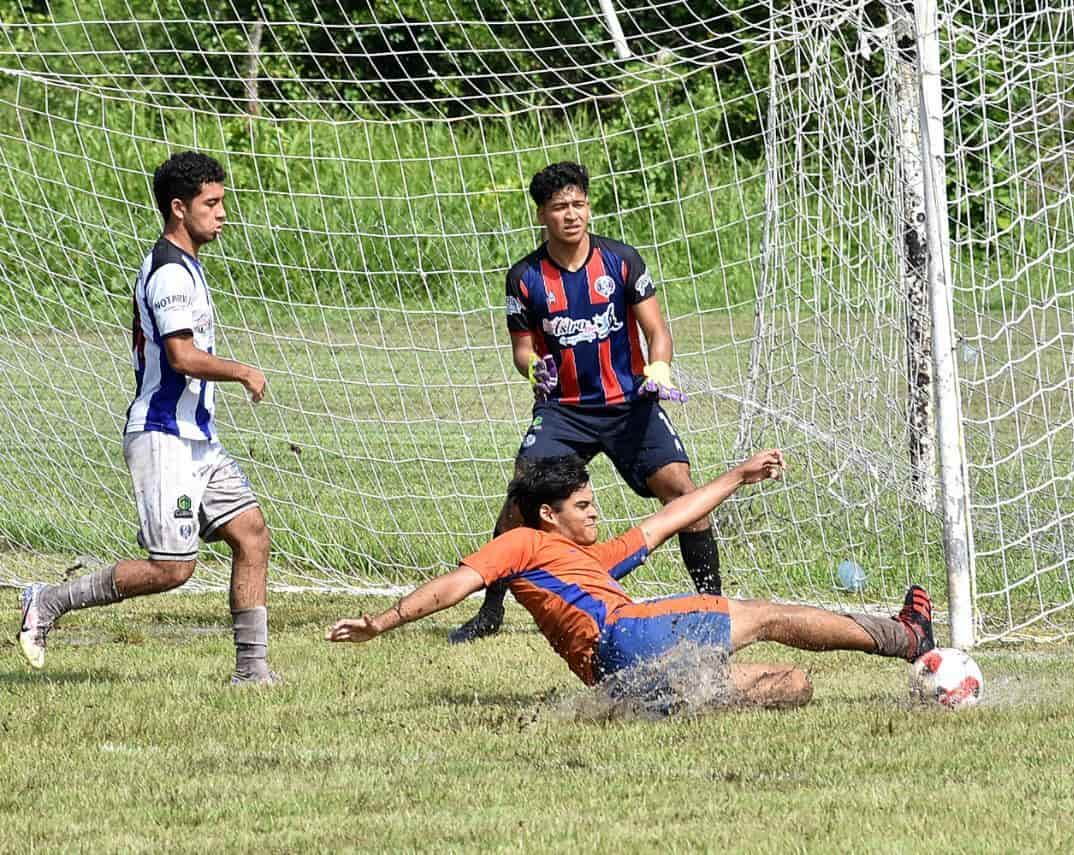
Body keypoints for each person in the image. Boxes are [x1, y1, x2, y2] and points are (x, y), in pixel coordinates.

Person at [327, 450, 934, 710]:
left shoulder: (590, 560)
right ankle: (905, 638)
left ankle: (658, 706)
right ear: (549, 515)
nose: (595, 513)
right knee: (764, 614)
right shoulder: (523, 543)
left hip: (614, 673)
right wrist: (384, 622)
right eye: (583, 506)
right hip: (623, 637)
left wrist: (736, 476)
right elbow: (454, 585)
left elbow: (671, 517)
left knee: (793, 684)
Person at [17, 151, 279, 685]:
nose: (222, 213)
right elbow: (180, 356)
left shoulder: (187, 266)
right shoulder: (167, 275)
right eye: (212, 203)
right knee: (172, 569)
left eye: (222, 201)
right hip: (164, 439)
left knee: (251, 536)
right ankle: (47, 601)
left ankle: (252, 673)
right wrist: (244, 372)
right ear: (179, 209)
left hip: (198, 439)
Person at [449, 160, 722, 644]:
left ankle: (713, 603)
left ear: (588, 208)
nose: (571, 214)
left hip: (628, 406)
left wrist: (658, 368)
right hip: (563, 412)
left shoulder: (621, 261)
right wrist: (534, 367)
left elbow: (657, 331)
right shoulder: (525, 278)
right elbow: (522, 351)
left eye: (578, 204)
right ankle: (490, 611)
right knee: (521, 500)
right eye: (559, 207)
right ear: (542, 216)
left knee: (686, 496)